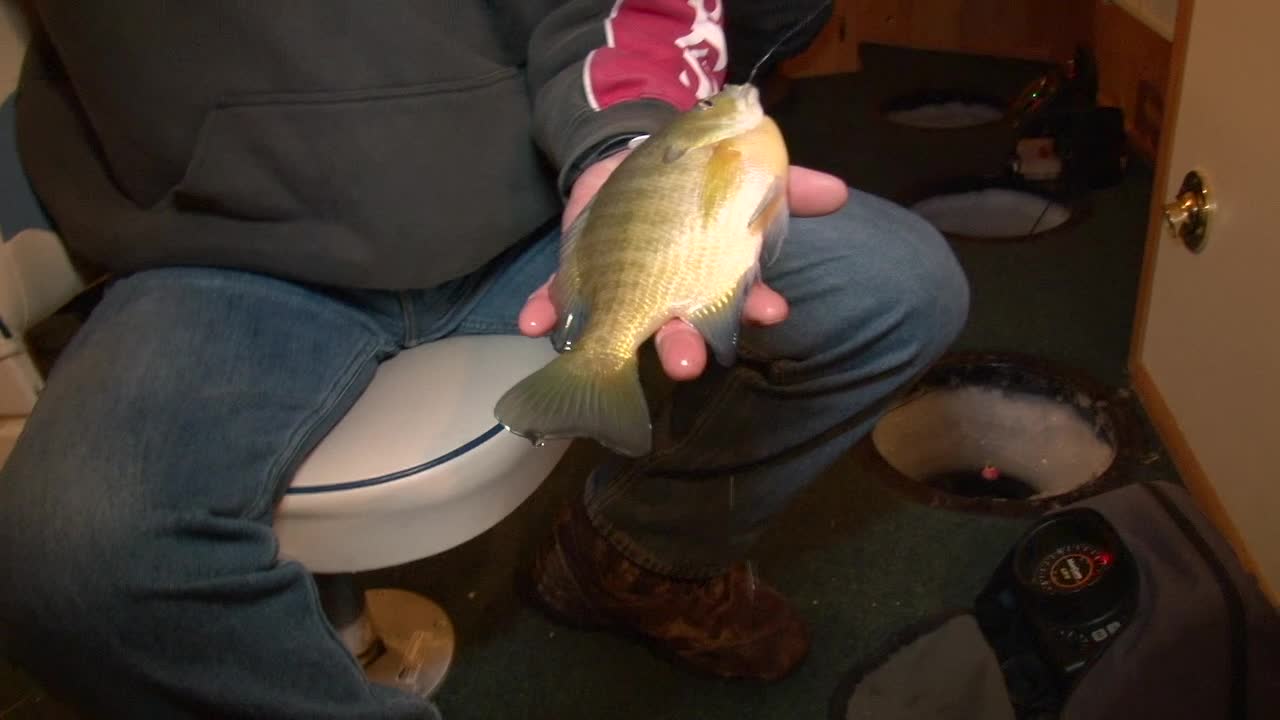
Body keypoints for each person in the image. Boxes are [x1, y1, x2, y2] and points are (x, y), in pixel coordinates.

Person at [0, 2, 968, 718]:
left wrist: (620, 147)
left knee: (891, 291)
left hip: (539, 205)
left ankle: (635, 558)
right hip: (216, 254)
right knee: (73, 560)